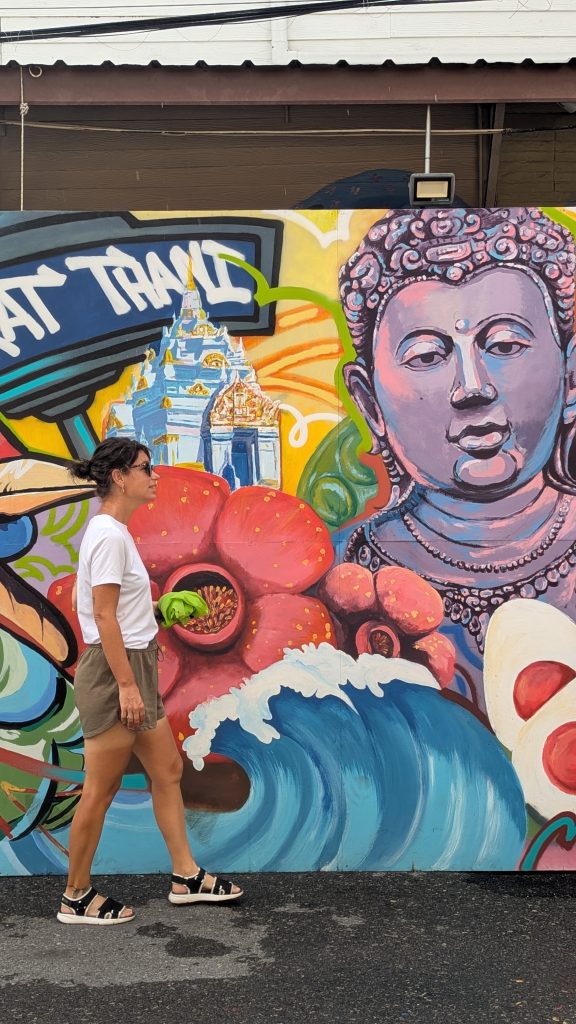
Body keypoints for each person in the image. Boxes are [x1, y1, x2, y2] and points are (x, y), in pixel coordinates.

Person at [338, 207, 576, 709]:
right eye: (427, 356)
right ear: (369, 403)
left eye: (505, 345)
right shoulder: (343, 574)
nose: (472, 387)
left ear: (571, 374)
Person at [57, 437, 242, 925]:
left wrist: (160, 611)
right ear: (120, 477)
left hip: (134, 665)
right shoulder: (108, 536)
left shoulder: (115, 532)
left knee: (168, 771)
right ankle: (76, 896)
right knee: (100, 789)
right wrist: (126, 686)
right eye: (145, 468)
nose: (154, 475)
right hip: (115, 673)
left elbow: (117, 610)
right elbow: (102, 616)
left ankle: (186, 876)